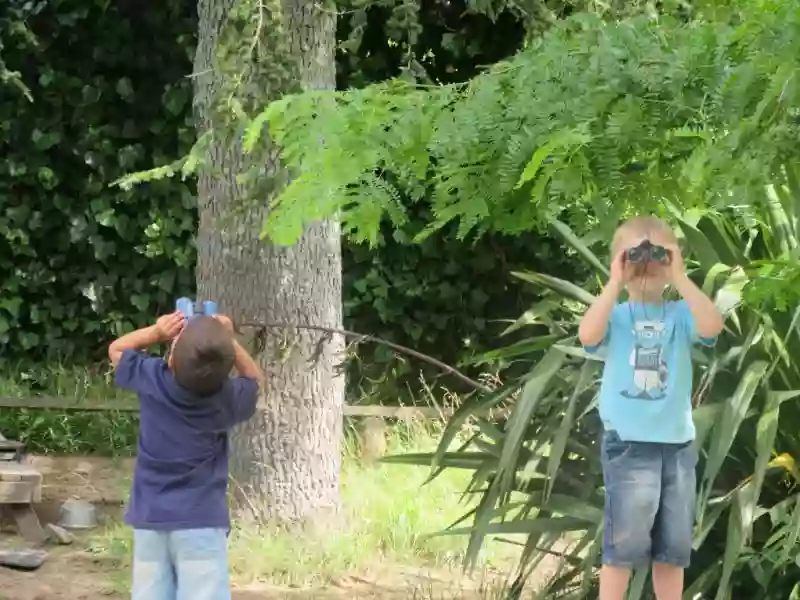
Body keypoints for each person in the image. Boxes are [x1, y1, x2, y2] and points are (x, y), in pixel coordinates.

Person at [578, 216, 724, 600]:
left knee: (673, 551)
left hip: (677, 447)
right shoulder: (618, 316)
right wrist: (615, 281)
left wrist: (679, 277)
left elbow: (712, 327)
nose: (646, 264)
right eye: (635, 256)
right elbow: (587, 335)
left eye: (656, 255)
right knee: (622, 548)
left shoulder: (679, 315)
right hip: (629, 446)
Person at [108, 311, 264, 600]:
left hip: (150, 521)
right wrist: (228, 338)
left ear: (170, 360)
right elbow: (254, 379)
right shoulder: (225, 398)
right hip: (201, 524)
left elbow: (116, 349)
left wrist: (155, 333)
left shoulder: (152, 379)